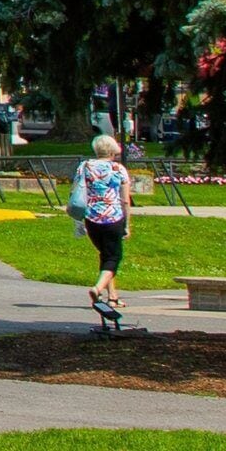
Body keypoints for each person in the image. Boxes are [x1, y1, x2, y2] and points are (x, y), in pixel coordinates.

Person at [70, 132, 134, 330]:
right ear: (113, 149)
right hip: (113, 218)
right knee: (114, 257)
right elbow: (125, 200)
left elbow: (76, 190)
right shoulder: (118, 169)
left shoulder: (85, 166)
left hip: (92, 219)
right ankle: (97, 288)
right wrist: (127, 223)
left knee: (104, 255)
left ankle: (112, 296)